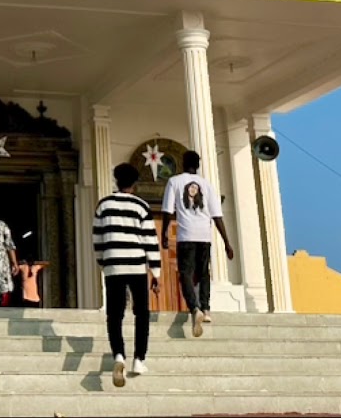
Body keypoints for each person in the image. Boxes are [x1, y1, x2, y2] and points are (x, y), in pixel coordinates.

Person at [92, 162, 160, 388]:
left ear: (116, 180)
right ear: (135, 183)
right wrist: (156, 272)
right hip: (137, 265)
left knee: (115, 314)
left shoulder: (104, 205)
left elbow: (97, 239)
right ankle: (139, 359)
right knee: (141, 313)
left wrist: (103, 263)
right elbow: (150, 240)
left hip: (113, 265)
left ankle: (118, 355)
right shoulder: (141, 206)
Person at [159, 149, 235, 338]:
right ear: (198, 165)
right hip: (205, 236)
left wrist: (164, 233)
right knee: (203, 273)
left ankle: (194, 308)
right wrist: (227, 242)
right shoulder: (207, 185)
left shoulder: (174, 182)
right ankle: (206, 309)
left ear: (182, 163)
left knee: (185, 273)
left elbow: (167, 211)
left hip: (186, 236)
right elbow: (217, 216)